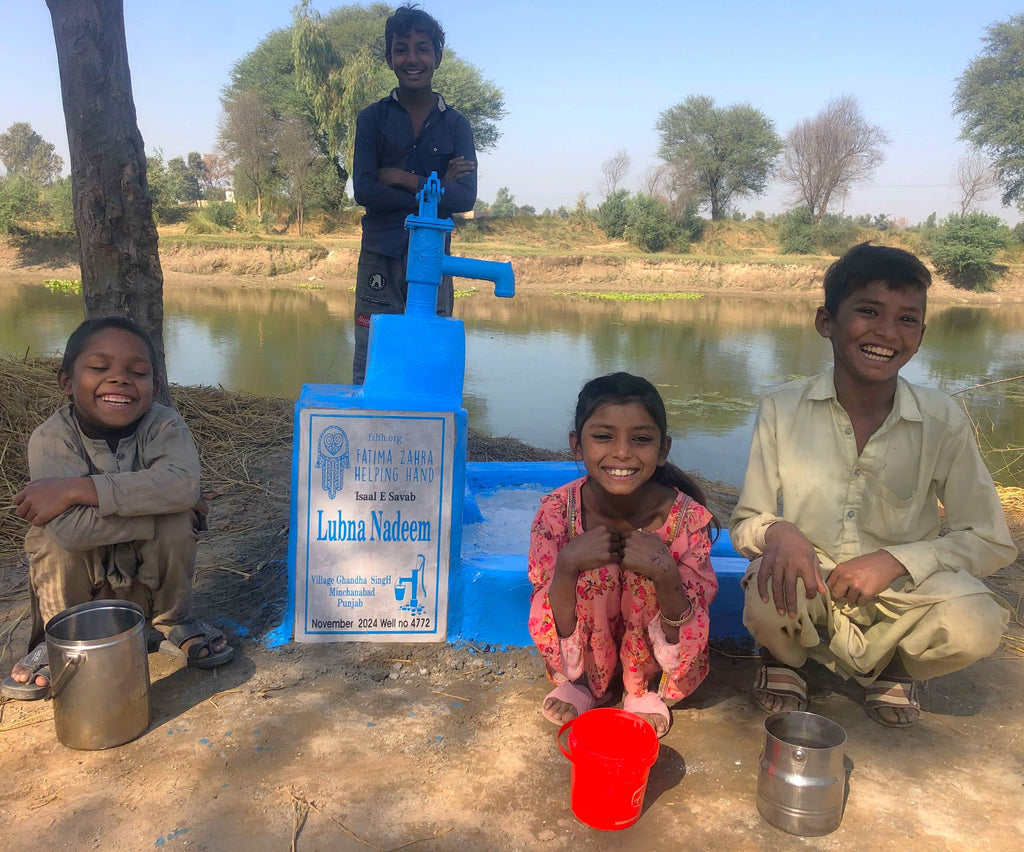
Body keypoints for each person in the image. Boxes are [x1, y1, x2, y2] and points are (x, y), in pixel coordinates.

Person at [730, 243, 1017, 728]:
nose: (886, 333)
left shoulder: (941, 419)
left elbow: (989, 540)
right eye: (868, 312)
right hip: (812, 583)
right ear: (827, 322)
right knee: (765, 580)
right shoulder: (782, 407)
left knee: (978, 620)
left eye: (907, 319)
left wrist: (897, 560)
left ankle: (895, 669)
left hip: (901, 594)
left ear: (921, 335)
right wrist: (780, 531)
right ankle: (785, 662)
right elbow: (745, 522)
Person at [2, 316, 234, 700]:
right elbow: (75, 531)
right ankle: (62, 637)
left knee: (179, 516)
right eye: (98, 368)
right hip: (82, 598)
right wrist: (165, 507)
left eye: (138, 372)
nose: (120, 379)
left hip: (148, 588)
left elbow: (183, 484)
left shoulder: (166, 425)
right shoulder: (50, 438)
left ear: (154, 388)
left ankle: (170, 622)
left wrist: (78, 489)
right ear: (66, 382)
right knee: (52, 535)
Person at [527, 373, 719, 737]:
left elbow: (692, 612)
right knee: (586, 573)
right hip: (582, 647)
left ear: (663, 450)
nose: (621, 452)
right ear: (577, 445)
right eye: (603, 436)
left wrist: (664, 572)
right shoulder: (556, 511)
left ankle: (642, 689)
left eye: (641, 440)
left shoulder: (686, 520)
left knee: (652, 573)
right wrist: (568, 565)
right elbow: (543, 600)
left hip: (658, 656)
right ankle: (582, 681)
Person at [351, 4, 477, 383]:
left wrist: (401, 178)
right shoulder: (371, 119)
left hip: (433, 256)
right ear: (389, 57)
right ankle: (369, 436)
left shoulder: (457, 125)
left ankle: (423, 440)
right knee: (373, 356)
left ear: (437, 56)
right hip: (380, 252)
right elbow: (365, 190)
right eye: (402, 48)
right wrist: (437, 185)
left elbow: (466, 198)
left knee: (429, 356)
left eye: (423, 48)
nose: (412, 58)